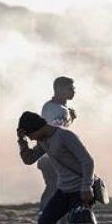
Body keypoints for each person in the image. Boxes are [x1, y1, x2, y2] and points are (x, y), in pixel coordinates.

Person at [17, 111, 96, 224]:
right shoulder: (43, 141)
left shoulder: (65, 136)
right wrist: (22, 141)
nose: (32, 139)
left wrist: (86, 187)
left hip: (79, 191)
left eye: (31, 135)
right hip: (63, 190)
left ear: (37, 128)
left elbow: (87, 161)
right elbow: (29, 159)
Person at [37, 76, 78, 213]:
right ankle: (45, 216)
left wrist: (70, 118)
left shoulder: (53, 107)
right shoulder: (56, 109)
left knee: (56, 187)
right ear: (59, 89)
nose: (73, 91)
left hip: (51, 155)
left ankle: (48, 217)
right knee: (55, 187)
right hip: (52, 156)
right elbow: (55, 132)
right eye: (70, 88)